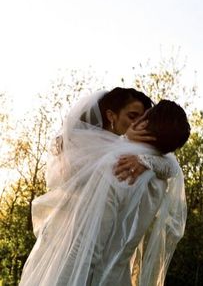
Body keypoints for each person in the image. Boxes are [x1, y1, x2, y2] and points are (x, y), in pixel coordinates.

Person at [19, 88, 190, 286]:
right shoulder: (159, 175)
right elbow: (172, 166)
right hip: (116, 277)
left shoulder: (117, 167)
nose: (134, 124)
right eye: (133, 116)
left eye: (140, 119)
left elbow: (88, 248)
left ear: (146, 125)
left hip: (85, 275)